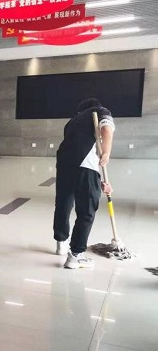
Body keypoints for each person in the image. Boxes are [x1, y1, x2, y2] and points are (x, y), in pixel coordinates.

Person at [53, 98, 114, 269]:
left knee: (63, 203)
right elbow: (106, 129)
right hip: (85, 165)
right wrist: (106, 153)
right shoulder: (101, 111)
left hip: (63, 164)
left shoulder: (72, 122)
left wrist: (98, 182)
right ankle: (76, 255)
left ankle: (61, 242)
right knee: (87, 211)